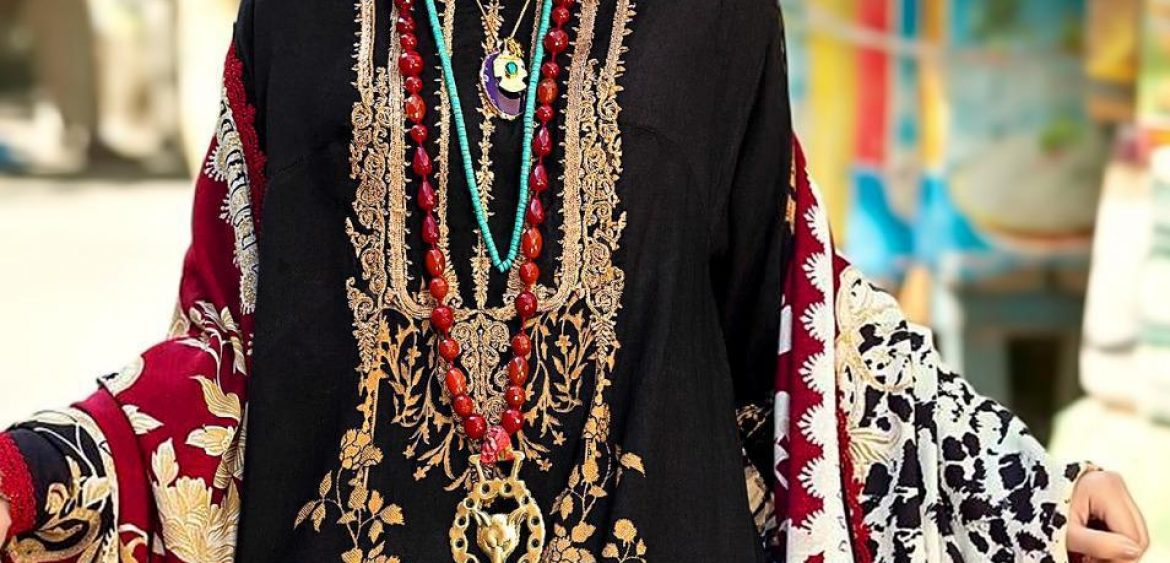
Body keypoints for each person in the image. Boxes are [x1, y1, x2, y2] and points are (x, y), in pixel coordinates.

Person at [0, 1, 1150, 561]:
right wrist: (30, 473)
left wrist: (1019, 494)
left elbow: (794, 318)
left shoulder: (717, 18)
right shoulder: (292, 17)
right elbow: (225, 354)